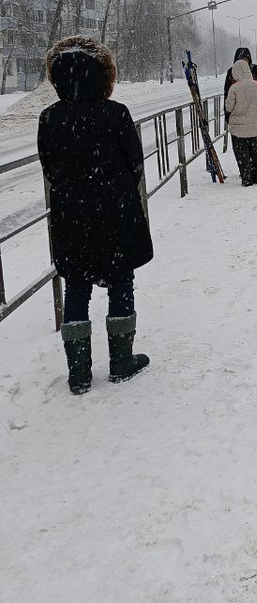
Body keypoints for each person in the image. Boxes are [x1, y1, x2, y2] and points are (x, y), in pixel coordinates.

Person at [37, 37, 153, 395]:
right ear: (105, 76)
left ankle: (79, 372)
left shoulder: (50, 117)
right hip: (116, 212)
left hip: (73, 217)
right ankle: (121, 360)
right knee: (121, 281)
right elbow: (135, 162)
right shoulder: (116, 113)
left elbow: (50, 168)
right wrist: (112, 187)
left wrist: (77, 191)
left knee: (76, 286)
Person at [224, 46, 257, 171]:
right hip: (239, 116)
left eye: (245, 58)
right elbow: (227, 95)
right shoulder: (231, 73)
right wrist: (228, 114)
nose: (243, 61)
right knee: (244, 145)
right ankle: (248, 170)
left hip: (256, 114)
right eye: (241, 59)